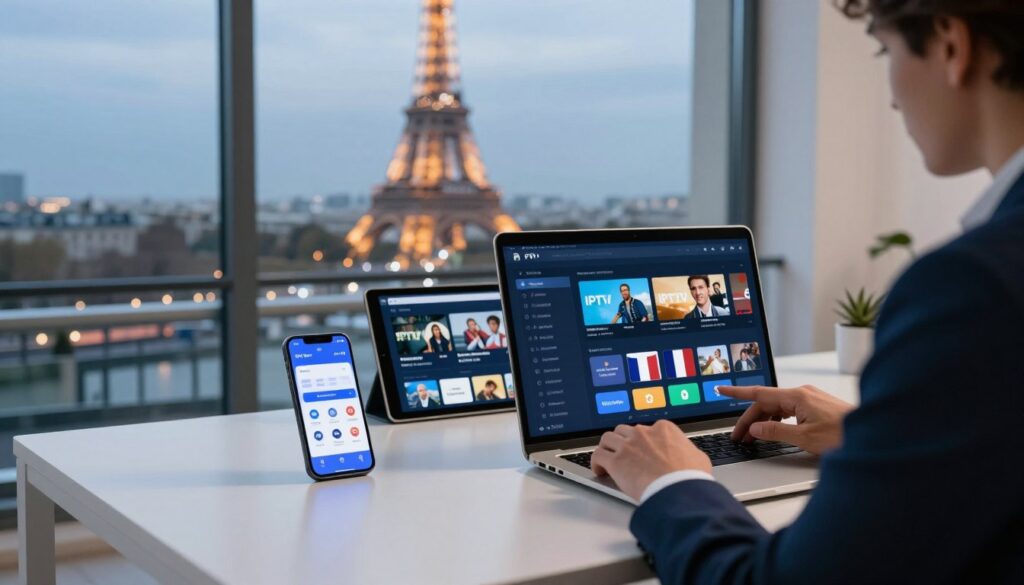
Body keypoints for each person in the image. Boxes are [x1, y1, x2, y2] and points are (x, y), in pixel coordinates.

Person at [591, 2, 1024, 582]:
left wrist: (671, 481)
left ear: (951, 44)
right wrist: (884, 437)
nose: (892, 98)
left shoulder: (974, 287)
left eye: (885, 51)